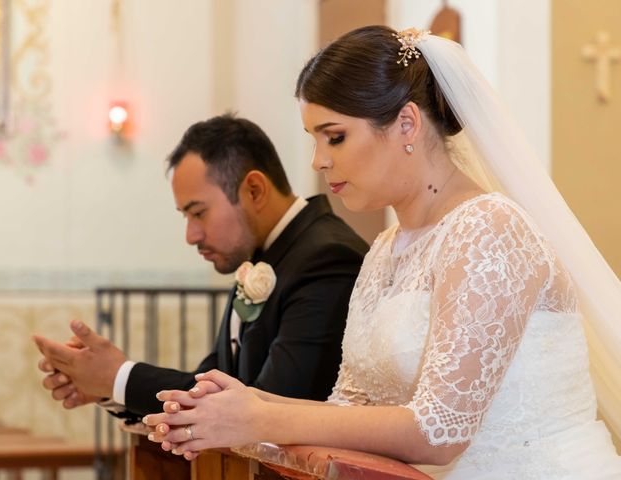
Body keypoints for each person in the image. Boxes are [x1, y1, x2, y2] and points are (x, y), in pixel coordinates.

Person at [142, 26, 621, 479]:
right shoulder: (385, 250)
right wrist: (240, 405)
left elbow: (440, 431)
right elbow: (349, 410)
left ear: (407, 123)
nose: (319, 160)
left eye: (335, 136)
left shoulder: (488, 229)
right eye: (314, 140)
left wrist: (261, 421)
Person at [33, 114, 368, 420]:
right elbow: (211, 383)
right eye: (186, 216)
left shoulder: (328, 258)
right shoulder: (260, 254)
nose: (191, 236)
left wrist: (120, 377)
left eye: (198, 212)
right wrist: (109, 387)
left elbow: (271, 406)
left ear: (254, 190)